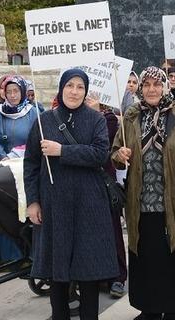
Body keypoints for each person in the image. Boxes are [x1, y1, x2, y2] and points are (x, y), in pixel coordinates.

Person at [24, 69, 120, 320]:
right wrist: (33, 201)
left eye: (80, 87)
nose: (75, 91)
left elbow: (100, 154)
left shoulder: (96, 119)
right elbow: (31, 164)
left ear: (86, 91)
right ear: (61, 88)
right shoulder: (44, 121)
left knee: (88, 270)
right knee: (58, 272)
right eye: (70, 85)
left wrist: (62, 151)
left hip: (89, 205)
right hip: (55, 205)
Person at [111, 67, 175, 320]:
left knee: (171, 258)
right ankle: (149, 309)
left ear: (165, 87)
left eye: (156, 84)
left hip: (173, 201)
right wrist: (119, 155)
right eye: (146, 84)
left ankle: (171, 309)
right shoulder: (131, 116)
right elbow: (115, 152)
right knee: (146, 258)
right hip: (140, 203)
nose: (151, 89)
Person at [0, 75, 39, 260]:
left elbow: (36, 136)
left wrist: (23, 154)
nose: (13, 95)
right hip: (5, 164)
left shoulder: (32, 112)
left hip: (27, 163)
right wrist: (3, 156)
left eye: (16, 91)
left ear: (23, 91)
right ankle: (11, 255)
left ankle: (31, 252)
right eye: (9, 91)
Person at [85, 96, 129, 299]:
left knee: (112, 230)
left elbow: (102, 147)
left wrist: (94, 113)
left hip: (104, 182)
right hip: (83, 183)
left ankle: (118, 277)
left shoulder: (109, 119)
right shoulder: (73, 118)